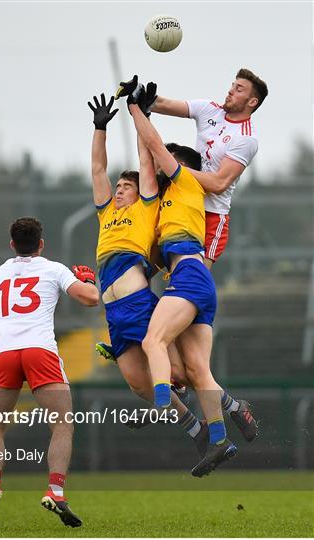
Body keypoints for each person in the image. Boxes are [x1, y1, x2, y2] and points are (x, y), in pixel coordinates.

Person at [0, 217, 99, 528]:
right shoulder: (54, 268)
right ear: (41, 244)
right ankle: (56, 491)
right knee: (61, 425)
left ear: (12, 244)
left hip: (4, 354)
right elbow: (90, 299)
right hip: (39, 352)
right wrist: (87, 280)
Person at [88, 92, 210, 456]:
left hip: (136, 300)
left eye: (127, 186)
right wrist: (99, 129)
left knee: (179, 372)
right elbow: (97, 169)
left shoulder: (145, 207)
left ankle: (226, 406)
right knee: (139, 385)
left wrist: (139, 111)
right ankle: (196, 429)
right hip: (113, 311)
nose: (121, 189)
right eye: (119, 186)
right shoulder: (106, 213)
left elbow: (146, 157)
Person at [127, 93, 237, 477]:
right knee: (195, 369)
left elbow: (156, 148)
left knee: (152, 342)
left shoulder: (187, 183)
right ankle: (221, 438)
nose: (160, 166)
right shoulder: (165, 199)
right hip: (194, 280)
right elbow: (147, 156)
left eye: (168, 162)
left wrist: (137, 110)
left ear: (180, 166)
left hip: (189, 277)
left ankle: (159, 407)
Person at [148, 68, 268, 268]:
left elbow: (218, 183)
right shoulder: (209, 109)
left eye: (239, 89)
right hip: (182, 207)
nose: (230, 91)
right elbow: (161, 104)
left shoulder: (246, 138)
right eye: (232, 85)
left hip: (211, 216)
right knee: (144, 269)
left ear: (252, 102)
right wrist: (140, 95)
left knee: (193, 285)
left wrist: (175, 170)